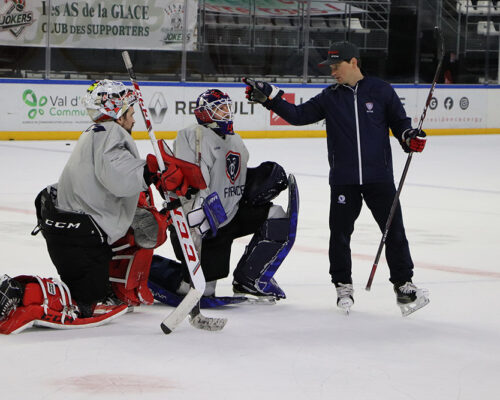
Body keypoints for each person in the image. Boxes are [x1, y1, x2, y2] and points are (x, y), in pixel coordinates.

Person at [243, 41, 429, 316]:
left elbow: (400, 124)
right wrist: (272, 99)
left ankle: (403, 285)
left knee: (394, 231)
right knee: (340, 234)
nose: (332, 72)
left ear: (353, 62)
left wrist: (409, 137)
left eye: (336, 66)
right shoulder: (330, 97)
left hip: (379, 178)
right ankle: (343, 284)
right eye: (330, 67)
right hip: (344, 179)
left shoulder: (381, 91)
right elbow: (298, 115)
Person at [0, 79, 190, 334]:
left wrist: (151, 175)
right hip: (80, 235)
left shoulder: (96, 133)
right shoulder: (112, 134)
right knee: (85, 302)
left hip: (73, 231)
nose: (133, 120)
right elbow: (118, 174)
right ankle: (15, 291)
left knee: (93, 292)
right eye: (130, 113)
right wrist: (148, 172)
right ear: (117, 113)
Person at [147, 89, 299, 307]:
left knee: (277, 216)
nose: (226, 113)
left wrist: (261, 181)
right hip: (200, 223)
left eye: (227, 108)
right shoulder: (193, 135)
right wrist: (194, 214)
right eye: (219, 109)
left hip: (231, 214)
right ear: (204, 114)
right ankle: (152, 272)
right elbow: (193, 182)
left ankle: (250, 279)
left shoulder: (235, 139)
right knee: (201, 289)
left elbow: (236, 175)